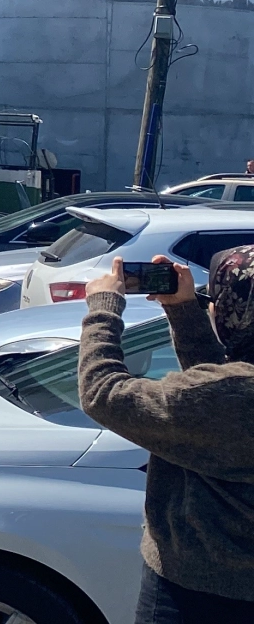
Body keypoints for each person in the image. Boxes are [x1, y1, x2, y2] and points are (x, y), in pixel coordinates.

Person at [79, 250, 254, 621]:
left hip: (197, 595)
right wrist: (183, 310)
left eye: (216, 299)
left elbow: (102, 393)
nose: (211, 306)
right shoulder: (228, 395)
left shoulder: (228, 397)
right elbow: (214, 407)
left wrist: (103, 308)